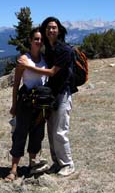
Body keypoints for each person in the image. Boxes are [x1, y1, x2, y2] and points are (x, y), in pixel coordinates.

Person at [18, 16, 75, 177]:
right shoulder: (50, 49)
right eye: (48, 28)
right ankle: (57, 163)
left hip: (62, 93)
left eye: (54, 27)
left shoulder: (64, 50)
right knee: (51, 131)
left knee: (60, 131)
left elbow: (51, 72)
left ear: (59, 30)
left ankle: (68, 164)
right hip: (52, 95)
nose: (51, 30)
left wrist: (29, 67)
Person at [5, 27, 49, 182]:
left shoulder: (45, 59)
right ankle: (13, 169)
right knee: (20, 134)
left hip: (40, 103)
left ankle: (32, 165)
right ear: (30, 41)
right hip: (26, 101)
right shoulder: (24, 59)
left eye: (41, 39)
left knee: (37, 135)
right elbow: (16, 84)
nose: (39, 42)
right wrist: (14, 105)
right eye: (36, 39)